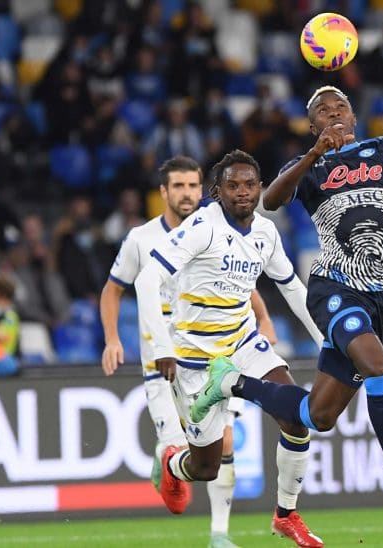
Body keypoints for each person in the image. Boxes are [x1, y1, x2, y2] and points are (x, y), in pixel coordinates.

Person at [192, 86, 383, 543]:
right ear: (312, 125)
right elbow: (272, 200)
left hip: (377, 296)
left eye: (340, 107)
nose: (333, 114)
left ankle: (230, 383)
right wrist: (314, 153)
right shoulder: (309, 165)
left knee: (318, 416)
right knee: (378, 367)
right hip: (333, 287)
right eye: (322, 111)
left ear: (354, 116)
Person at [134, 150, 325, 548]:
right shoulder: (202, 227)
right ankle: (171, 462)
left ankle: (286, 515)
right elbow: (146, 280)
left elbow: (292, 288)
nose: (242, 192)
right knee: (205, 467)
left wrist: (326, 341)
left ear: (260, 188)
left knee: (296, 417)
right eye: (233, 185)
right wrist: (162, 345)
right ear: (217, 192)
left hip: (242, 344)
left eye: (250, 184)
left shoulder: (266, 232)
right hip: (195, 358)